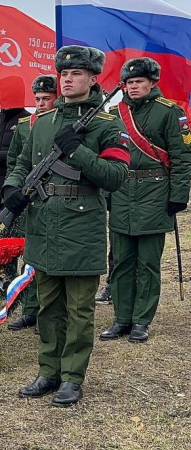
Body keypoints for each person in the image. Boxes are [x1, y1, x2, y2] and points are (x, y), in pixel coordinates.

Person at [3, 46, 130, 407]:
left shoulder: (108, 125)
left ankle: (72, 377)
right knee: (48, 306)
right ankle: (48, 371)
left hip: (81, 224)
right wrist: (13, 189)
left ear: (93, 79)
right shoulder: (41, 123)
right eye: (64, 74)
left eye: (76, 74)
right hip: (43, 223)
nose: (68, 79)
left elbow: (115, 177)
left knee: (79, 309)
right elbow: (23, 163)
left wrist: (78, 151)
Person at [99, 57, 191, 343]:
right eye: (129, 82)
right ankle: (122, 319)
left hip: (155, 192)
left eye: (139, 81)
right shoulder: (115, 113)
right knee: (122, 260)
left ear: (152, 83)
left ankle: (141, 321)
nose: (133, 86)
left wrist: (179, 196)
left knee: (148, 263)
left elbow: (182, 158)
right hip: (122, 191)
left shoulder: (170, 112)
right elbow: (106, 154)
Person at [6, 74, 58, 332]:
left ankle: (48, 314)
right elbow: (16, 161)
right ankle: (29, 311)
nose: (40, 103)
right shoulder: (25, 125)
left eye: (46, 99)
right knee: (29, 258)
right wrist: (12, 190)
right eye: (37, 99)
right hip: (28, 200)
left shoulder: (62, 123)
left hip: (53, 198)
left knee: (48, 260)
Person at [0, 89, 30, 207]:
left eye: (7, 96)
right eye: (1, 96)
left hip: (13, 188)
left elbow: (27, 155)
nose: (3, 100)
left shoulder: (28, 121)